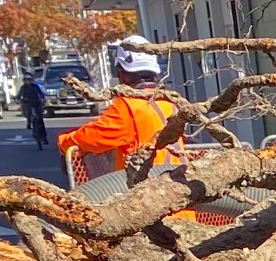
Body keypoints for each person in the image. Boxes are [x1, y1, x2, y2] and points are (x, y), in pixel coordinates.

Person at [60, 47, 183, 182]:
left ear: (123, 73)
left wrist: (64, 143)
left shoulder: (129, 106)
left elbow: (90, 137)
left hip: (147, 189)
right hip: (178, 184)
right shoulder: (169, 101)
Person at [20, 70, 48, 152]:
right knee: (27, 112)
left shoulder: (35, 87)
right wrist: (18, 99)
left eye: (29, 80)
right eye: (26, 80)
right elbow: (19, 95)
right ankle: (29, 123)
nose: (28, 81)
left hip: (36, 104)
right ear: (24, 81)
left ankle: (44, 137)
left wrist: (42, 99)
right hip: (28, 104)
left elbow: (41, 94)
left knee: (40, 121)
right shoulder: (23, 88)